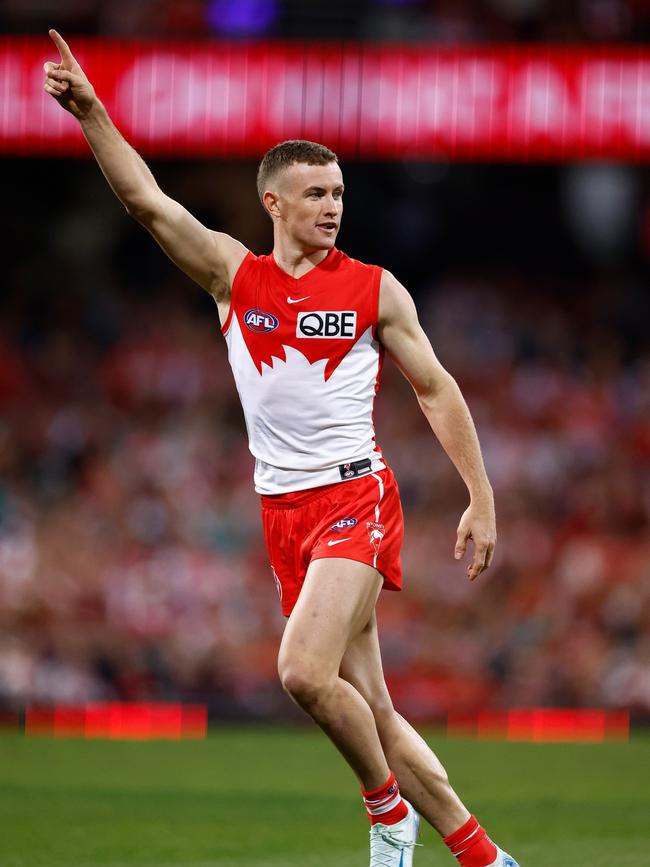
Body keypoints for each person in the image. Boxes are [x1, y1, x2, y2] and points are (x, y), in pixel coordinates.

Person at [43, 29, 520, 867]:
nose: (333, 206)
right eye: (315, 193)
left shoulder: (375, 288)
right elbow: (149, 203)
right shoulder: (236, 277)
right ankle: (485, 857)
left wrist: (480, 494)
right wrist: (90, 113)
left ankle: (385, 815)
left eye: (339, 192)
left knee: (302, 671)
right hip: (282, 511)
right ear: (273, 203)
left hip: (355, 497)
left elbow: (437, 386)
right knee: (370, 704)